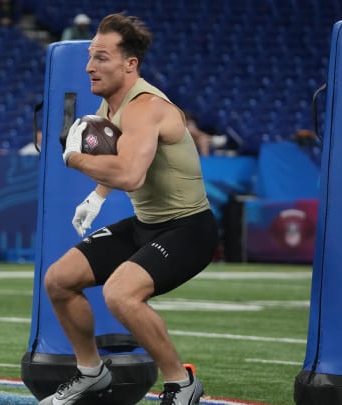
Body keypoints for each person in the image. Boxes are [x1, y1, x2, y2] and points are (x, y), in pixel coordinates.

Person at [41, 13, 217, 405]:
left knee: (120, 294)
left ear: (130, 64)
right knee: (59, 279)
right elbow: (122, 162)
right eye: (90, 56)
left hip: (188, 228)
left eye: (101, 57)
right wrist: (97, 197)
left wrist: (74, 159)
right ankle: (91, 373)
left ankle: (181, 383)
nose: (89, 66)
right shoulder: (107, 110)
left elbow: (131, 173)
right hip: (146, 223)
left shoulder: (146, 107)